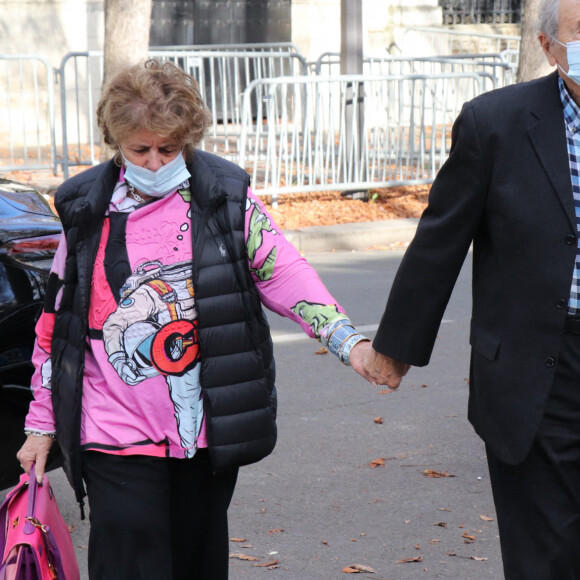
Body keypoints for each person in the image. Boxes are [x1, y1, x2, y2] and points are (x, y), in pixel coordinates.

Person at [16, 58, 373, 580]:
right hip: (112, 428)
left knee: (195, 563)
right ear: (116, 141)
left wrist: (346, 340)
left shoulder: (224, 196)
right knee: (129, 563)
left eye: (169, 147)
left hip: (202, 432)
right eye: (140, 150)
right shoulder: (84, 207)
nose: (157, 162)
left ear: (188, 137)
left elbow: (282, 272)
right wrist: (42, 423)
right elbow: (57, 323)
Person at [363, 0, 580, 578]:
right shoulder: (496, 123)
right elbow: (441, 238)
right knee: (548, 551)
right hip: (538, 366)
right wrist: (396, 347)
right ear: (548, 46)